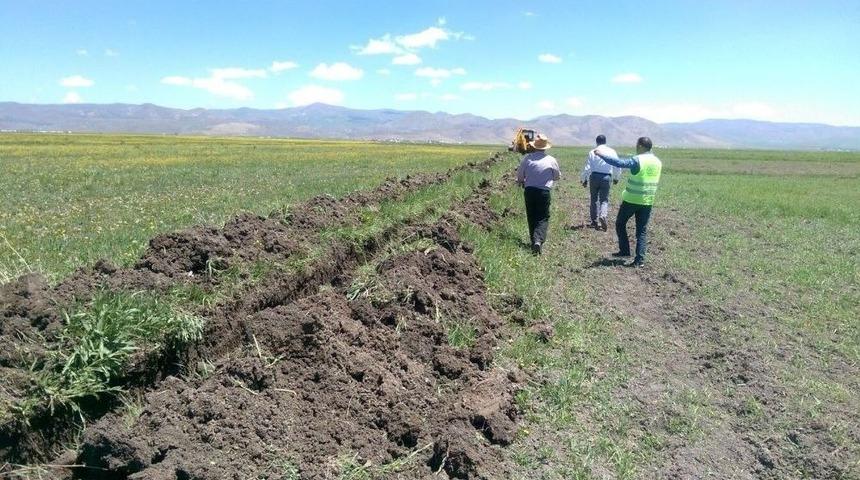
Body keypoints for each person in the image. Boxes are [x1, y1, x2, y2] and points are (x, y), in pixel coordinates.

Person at [593, 136, 662, 267]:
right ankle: (640, 260)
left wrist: (601, 154)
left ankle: (624, 251)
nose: (636, 147)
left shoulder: (638, 160)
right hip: (647, 200)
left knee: (620, 223)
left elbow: (619, 163)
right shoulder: (657, 161)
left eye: (637, 145)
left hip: (632, 199)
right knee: (641, 231)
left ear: (641, 146)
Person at [516, 133, 560, 255]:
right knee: (543, 217)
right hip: (544, 192)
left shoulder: (527, 159)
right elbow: (557, 176)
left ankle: (534, 241)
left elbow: (520, 176)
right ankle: (538, 240)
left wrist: (521, 181)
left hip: (529, 191)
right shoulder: (551, 160)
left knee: (531, 215)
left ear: (534, 147)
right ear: (545, 148)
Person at [581, 134, 620, 231]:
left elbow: (587, 167)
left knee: (593, 199)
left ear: (596, 142)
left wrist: (584, 179)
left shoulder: (592, 152)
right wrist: (616, 178)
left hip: (594, 177)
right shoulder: (612, 151)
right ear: (605, 141)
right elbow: (617, 165)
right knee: (604, 200)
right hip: (606, 177)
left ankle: (594, 221)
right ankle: (603, 215)